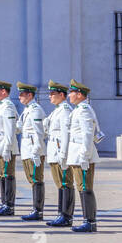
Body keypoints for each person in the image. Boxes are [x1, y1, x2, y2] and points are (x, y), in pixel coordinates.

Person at [65, 79, 101, 233]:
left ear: (79, 94)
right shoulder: (79, 109)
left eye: (71, 93)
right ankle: (88, 220)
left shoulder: (84, 110)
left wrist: (84, 156)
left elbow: (87, 134)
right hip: (77, 153)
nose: (68, 96)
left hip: (82, 155)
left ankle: (90, 221)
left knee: (85, 188)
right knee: (82, 187)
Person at [44, 80, 74, 227]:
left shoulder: (65, 111)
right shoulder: (57, 110)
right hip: (53, 152)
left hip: (60, 152)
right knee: (60, 184)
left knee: (65, 184)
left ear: (62, 95)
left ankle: (66, 216)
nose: (50, 96)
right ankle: (60, 213)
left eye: (52, 94)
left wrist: (64, 154)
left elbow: (65, 134)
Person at [0, 78, 19, 216]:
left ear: (4, 92)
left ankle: (9, 205)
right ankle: (4, 203)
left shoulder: (8, 107)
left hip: (5, 145)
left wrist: (8, 148)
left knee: (8, 175)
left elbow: (10, 129)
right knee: (2, 175)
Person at [17, 82, 47, 221]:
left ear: (30, 95)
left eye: (22, 94)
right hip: (27, 149)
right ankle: (35, 209)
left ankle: (38, 210)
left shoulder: (35, 110)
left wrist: (36, 151)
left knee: (37, 180)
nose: (19, 97)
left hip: (33, 150)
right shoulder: (28, 109)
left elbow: (39, 133)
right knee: (32, 179)